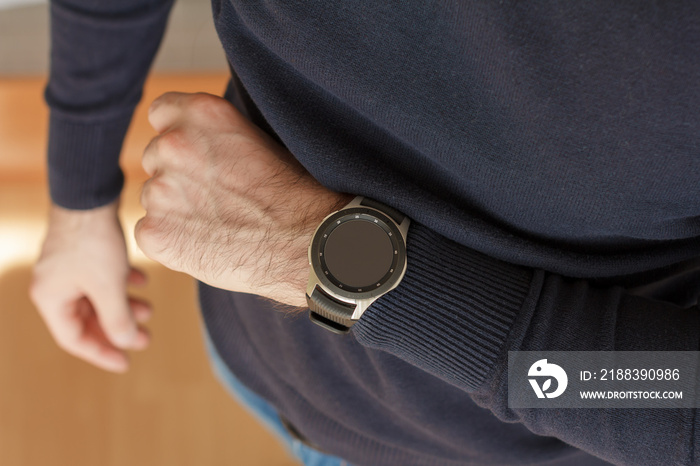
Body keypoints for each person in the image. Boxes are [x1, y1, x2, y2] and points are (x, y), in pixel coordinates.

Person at [30, 1, 700, 465]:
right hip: (262, 354)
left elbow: (679, 392)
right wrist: (79, 193)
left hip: (514, 447)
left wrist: (305, 251)